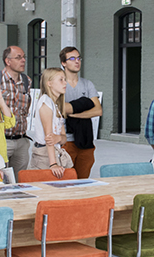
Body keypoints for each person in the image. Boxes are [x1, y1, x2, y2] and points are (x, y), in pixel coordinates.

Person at [61, 46, 101, 178]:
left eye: (78, 58)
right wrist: (84, 103)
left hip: (85, 139)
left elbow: (98, 110)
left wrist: (73, 114)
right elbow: (60, 109)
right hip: (66, 140)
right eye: (72, 58)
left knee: (83, 180)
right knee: (66, 180)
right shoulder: (59, 83)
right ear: (63, 63)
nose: (77, 61)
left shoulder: (87, 84)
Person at [27, 68, 72, 178]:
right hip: (44, 155)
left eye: (65, 79)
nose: (65, 83)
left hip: (55, 152)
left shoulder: (55, 105)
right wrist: (53, 164)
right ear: (49, 83)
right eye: (61, 80)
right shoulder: (45, 102)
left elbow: (63, 138)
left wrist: (58, 138)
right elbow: (49, 138)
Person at [0, 46, 32, 176]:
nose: (23, 60)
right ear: (8, 61)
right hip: (2, 140)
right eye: (18, 57)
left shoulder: (26, 81)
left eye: (24, 57)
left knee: (20, 179)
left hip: (21, 140)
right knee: (0, 180)